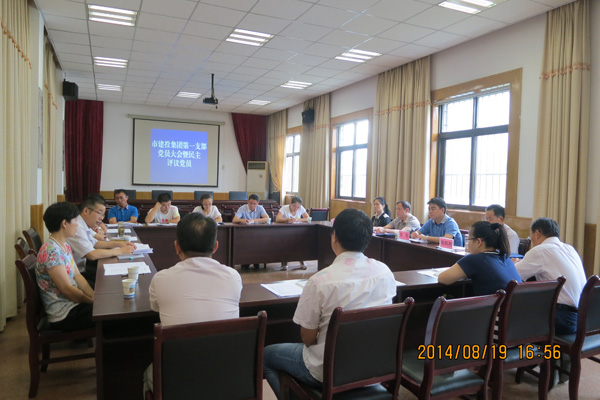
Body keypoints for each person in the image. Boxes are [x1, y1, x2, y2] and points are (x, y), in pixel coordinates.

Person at [263, 208, 397, 398]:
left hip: (327, 372)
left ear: (334, 237)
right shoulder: (385, 272)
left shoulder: (320, 281)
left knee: (267, 356)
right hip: (374, 366)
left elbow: (308, 339)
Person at [143, 213, 243, 394]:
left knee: (147, 372)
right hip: (226, 372)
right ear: (216, 246)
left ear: (177, 247)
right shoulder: (233, 276)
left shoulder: (161, 279)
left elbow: (154, 308)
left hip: (178, 376)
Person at [513, 218, 587, 335]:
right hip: (582, 318)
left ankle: (513, 345)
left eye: (531, 235)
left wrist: (513, 264)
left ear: (537, 233)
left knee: (512, 310)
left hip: (562, 318)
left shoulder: (539, 250)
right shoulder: (570, 248)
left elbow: (513, 274)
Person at [35, 202, 95, 332]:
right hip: (64, 314)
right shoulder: (51, 252)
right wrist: (92, 302)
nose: (77, 224)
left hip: (73, 304)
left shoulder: (64, 245)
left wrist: (94, 296)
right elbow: (68, 290)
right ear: (64, 223)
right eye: (75, 220)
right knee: (110, 314)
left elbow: (77, 276)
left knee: (105, 306)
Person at [67, 195, 136, 286]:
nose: (101, 218)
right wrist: (120, 251)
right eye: (99, 213)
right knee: (112, 283)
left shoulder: (83, 224)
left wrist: (120, 244)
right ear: (86, 211)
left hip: (83, 268)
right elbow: (91, 254)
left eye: (103, 214)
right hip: (77, 275)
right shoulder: (77, 226)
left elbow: (95, 243)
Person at [438, 221, 522, 295]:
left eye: (469, 239)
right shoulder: (506, 258)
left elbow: (443, 278)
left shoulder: (474, 259)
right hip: (514, 307)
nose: (468, 243)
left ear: (479, 242)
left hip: (492, 308)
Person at [233, 194, 270, 270]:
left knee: (259, 243)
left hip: (257, 233)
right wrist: (241, 220)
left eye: (254, 204)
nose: (252, 205)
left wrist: (253, 220)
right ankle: (246, 262)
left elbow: (267, 219)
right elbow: (234, 220)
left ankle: (256, 261)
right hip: (244, 233)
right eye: (250, 203)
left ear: (258, 203)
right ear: (247, 202)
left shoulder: (260, 208)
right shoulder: (242, 208)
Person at [276, 195, 310, 270]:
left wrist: (298, 220)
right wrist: (288, 220)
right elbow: (277, 219)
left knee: (301, 243)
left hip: (298, 231)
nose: (296, 208)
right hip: (285, 231)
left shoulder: (301, 208)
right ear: (290, 203)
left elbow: (308, 218)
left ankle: (301, 260)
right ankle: (285, 261)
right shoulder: (284, 208)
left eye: (298, 207)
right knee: (286, 244)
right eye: (294, 206)